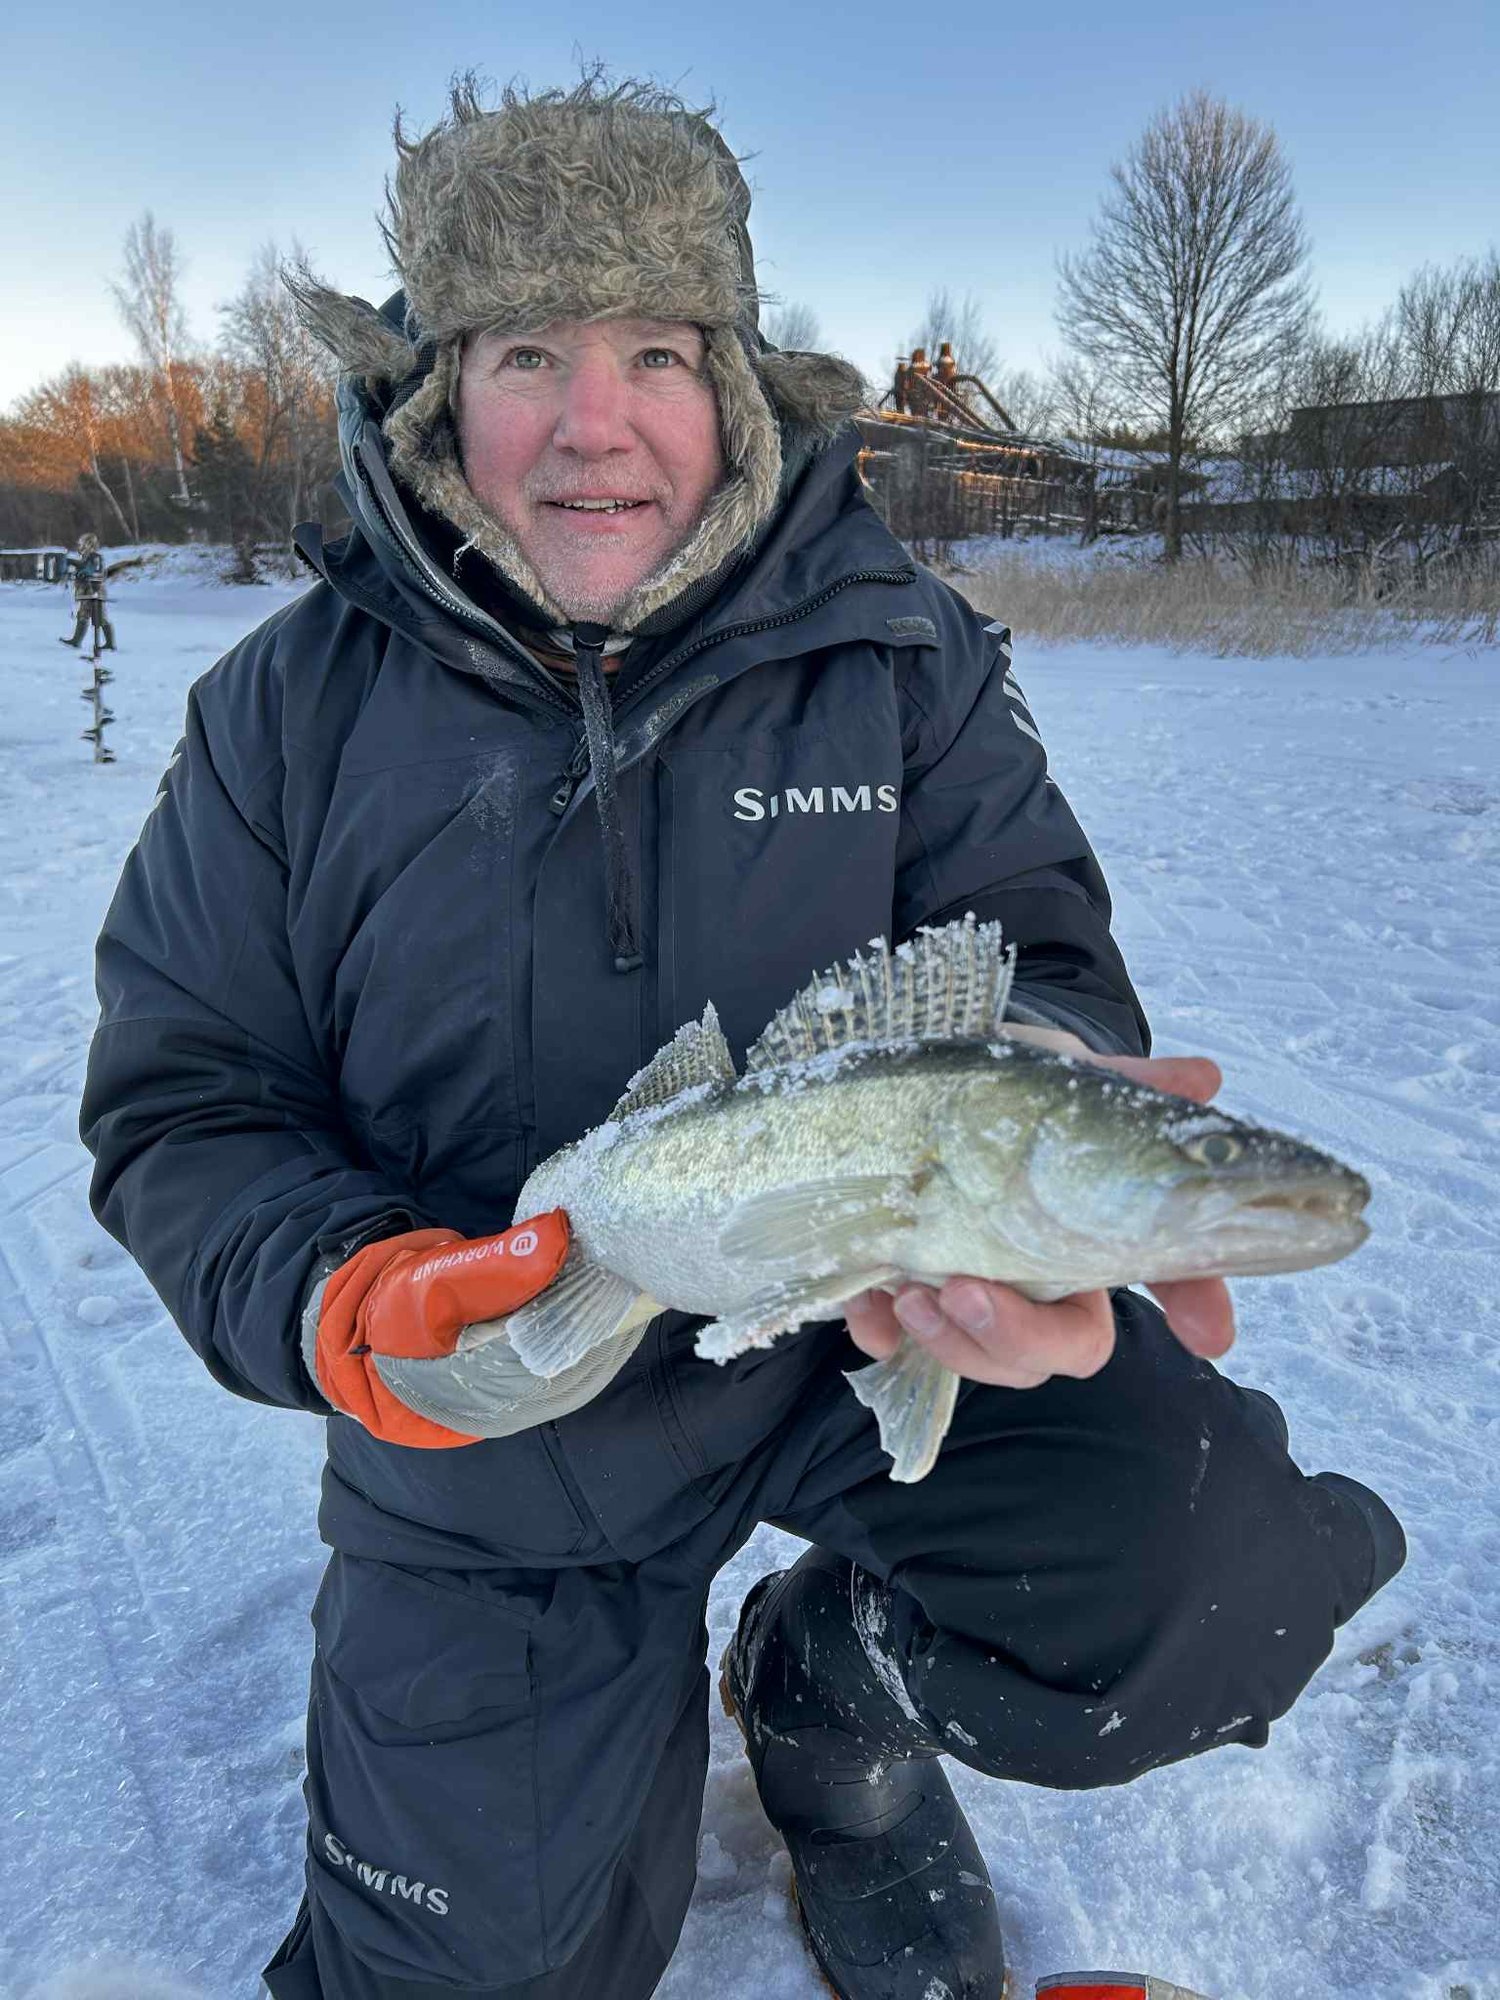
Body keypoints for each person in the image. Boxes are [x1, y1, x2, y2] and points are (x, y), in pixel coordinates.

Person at [80, 75, 1405, 2000]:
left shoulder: (902, 655)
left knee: (1203, 1581)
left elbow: (1036, 950)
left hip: (833, 1353)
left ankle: (827, 1683)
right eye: (530, 350)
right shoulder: (279, 718)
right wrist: (345, 1298)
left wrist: (1040, 1101)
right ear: (445, 393)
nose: (595, 420)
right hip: (505, 1400)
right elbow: (186, 1101)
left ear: (736, 386)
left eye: (655, 351)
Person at [58, 531, 116, 652]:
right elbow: (83, 567)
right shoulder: (87, 557)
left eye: (82, 543)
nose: (80, 546)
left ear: (88, 544)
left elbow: (89, 570)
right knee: (83, 614)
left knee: (99, 617)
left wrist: (77, 568)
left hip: (93, 591)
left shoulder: (95, 557)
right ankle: (76, 640)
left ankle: (110, 643)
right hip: (86, 591)